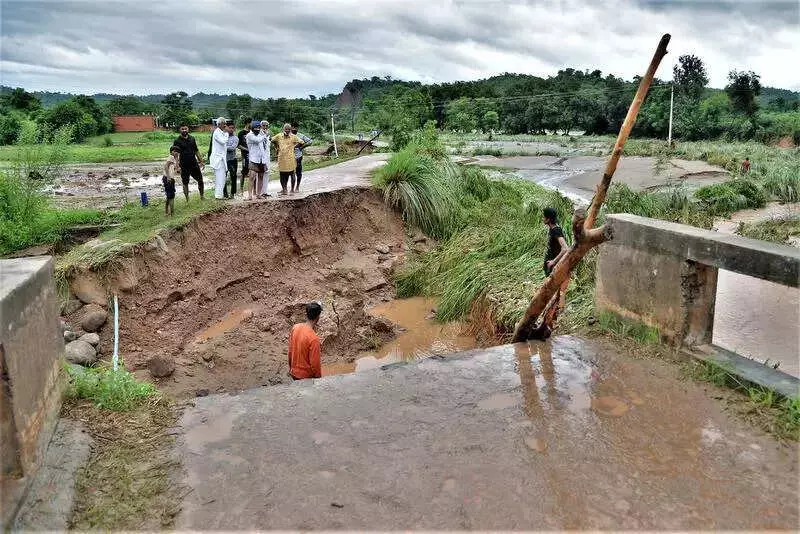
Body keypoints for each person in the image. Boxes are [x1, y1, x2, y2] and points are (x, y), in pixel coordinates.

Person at [543, 206, 570, 313]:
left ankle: (557, 311)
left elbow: (565, 248)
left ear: (548, 219)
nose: (543, 219)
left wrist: (553, 261)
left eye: (544, 217)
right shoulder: (552, 229)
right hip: (552, 266)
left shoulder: (556, 230)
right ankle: (555, 310)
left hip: (554, 266)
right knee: (555, 289)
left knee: (556, 290)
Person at [288, 301, 323, 380]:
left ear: (306, 314)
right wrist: (319, 379)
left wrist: (291, 369)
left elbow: (290, 351)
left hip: (294, 373)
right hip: (306, 378)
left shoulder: (295, 328)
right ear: (318, 317)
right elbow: (315, 364)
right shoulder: (314, 338)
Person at [173, 123, 205, 201]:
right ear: (180, 130)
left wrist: (201, 161)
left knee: (200, 180)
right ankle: (187, 199)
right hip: (184, 165)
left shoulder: (192, 138)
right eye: (182, 129)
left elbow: (196, 151)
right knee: (185, 183)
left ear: (188, 129)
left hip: (194, 164)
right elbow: (175, 155)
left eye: (185, 129)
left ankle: (202, 196)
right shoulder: (177, 141)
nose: (184, 130)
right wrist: (177, 166)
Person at [271, 123, 304, 195]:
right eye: (286, 129)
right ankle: (284, 190)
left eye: (289, 129)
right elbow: (272, 140)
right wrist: (277, 147)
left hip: (290, 158)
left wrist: (295, 147)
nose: (287, 130)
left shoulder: (293, 136)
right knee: (282, 174)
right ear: (283, 129)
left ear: (290, 130)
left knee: (292, 173)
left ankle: (292, 190)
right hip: (281, 158)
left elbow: (302, 142)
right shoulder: (279, 136)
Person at [245, 120, 270, 200]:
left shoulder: (260, 135)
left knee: (261, 176)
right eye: (256, 128)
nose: (257, 130)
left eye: (258, 128)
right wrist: (265, 135)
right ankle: (250, 195)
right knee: (252, 176)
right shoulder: (249, 135)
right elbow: (257, 140)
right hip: (253, 158)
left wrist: (264, 135)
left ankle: (259, 194)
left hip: (262, 159)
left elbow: (264, 145)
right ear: (252, 128)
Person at [208, 117, 230, 199]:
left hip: (222, 158)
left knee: (223, 177)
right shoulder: (217, 132)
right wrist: (227, 133)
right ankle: (218, 196)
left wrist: (225, 133)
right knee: (220, 177)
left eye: (225, 124)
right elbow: (223, 141)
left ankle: (219, 195)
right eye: (224, 124)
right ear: (219, 124)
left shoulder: (221, 132)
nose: (225, 125)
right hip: (218, 159)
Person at [290, 125, 312, 193]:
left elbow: (310, 141)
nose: (294, 129)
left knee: (298, 172)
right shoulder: (288, 135)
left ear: (298, 128)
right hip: (288, 157)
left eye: (295, 127)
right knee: (289, 173)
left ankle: (297, 187)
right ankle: (289, 188)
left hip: (298, 156)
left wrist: (302, 147)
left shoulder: (301, 136)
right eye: (293, 127)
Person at [162, 145, 180, 216]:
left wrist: (177, 159)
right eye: (175, 151)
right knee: (171, 195)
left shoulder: (174, 159)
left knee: (169, 195)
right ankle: (172, 213)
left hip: (170, 178)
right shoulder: (171, 157)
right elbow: (166, 166)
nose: (176, 153)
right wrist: (168, 177)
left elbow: (177, 169)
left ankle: (167, 211)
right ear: (172, 152)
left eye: (177, 152)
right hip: (168, 178)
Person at [224, 120, 239, 198]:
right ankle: (225, 194)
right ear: (226, 128)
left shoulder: (235, 138)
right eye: (230, 128)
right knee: (223, 177)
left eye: (233, 128)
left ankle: (232, 193)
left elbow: (233, 148)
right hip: (224, 160)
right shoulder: (223, 136)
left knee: (233, 177)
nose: (231, 129)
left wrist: (223, 147)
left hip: (232, 160)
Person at [237, 117, 252, 192]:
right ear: (247, 123)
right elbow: (238, 145)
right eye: (251, 123)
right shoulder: (241, 133)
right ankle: (241, 189)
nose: (252, 124)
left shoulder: (253, 132)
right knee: (244, 172)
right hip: (245, 156)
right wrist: (247, 149)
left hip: (253, 155)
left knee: (253, 171)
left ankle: (251, 189)